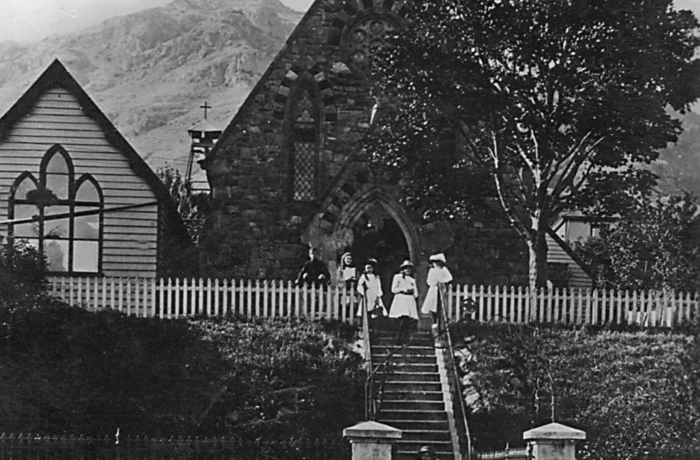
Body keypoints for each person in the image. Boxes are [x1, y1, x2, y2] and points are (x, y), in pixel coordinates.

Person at [389, 260, 419, 345]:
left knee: (407, 320)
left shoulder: (412, 280)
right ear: (402, 269)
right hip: (400, 298)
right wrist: (403, 290)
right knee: (401, 318)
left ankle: (404, 339)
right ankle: (398, 338)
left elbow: (416, 294)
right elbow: (393, 289)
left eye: (409, 269)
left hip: (409, 299)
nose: (407, 270)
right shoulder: (398, 277)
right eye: (406, 268)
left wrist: (411, 292)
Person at [421, 253, 453, 325]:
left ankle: (442, 320)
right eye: (434, 263)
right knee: (433, 305)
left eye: (437, 262)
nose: (435, 264)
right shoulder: (432, 270)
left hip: (441, 288)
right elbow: (429, 281)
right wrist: (435, 282)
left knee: (442, 304)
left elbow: (449, 277)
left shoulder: (444, 269)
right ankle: (434, 321)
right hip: (434, 289)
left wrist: (442, 281)